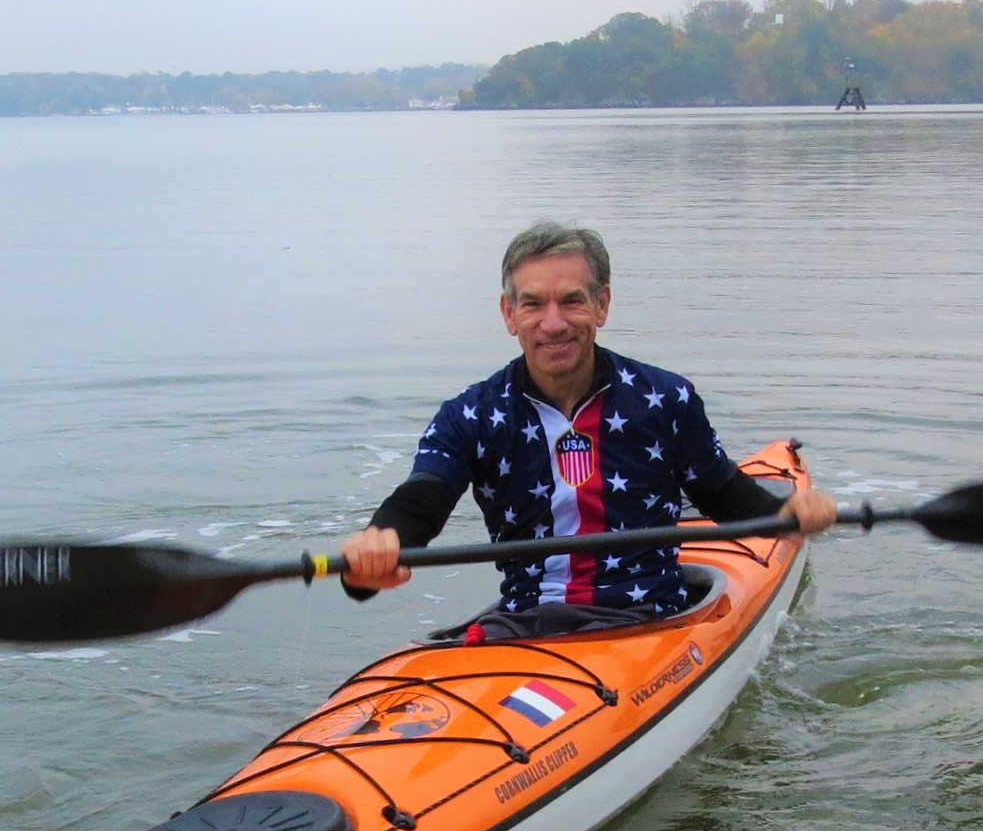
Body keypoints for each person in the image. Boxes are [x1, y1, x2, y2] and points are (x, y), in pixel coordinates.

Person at [341, 221, 838, 641]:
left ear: (602, 305)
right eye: (533, 304)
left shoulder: (665, 399)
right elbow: (420, 501)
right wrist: (375, 548)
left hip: (649, 620)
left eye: (571, 302)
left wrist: (788, 514)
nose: (553, 323)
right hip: (525, 625)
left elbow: (724, 496)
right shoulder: (469, 415)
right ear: (509, 314)